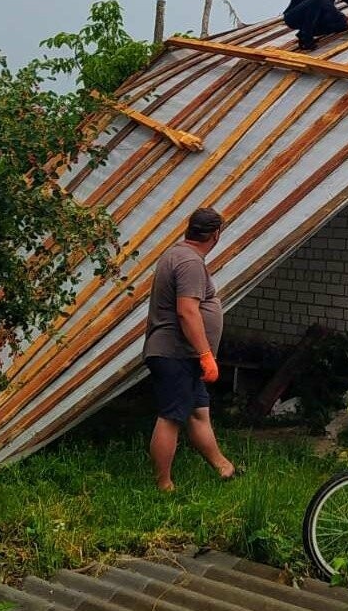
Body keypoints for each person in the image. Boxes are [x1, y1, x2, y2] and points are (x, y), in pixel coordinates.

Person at [142, 206, 236, 491]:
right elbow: (187, 311)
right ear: (215, 235)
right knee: (171, 416)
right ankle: (163, 485)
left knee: (198, 412)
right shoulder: (190, 262)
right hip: (175, 352)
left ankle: (224, 468)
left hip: (180, 353)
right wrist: (206, 354)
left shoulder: (176, 254)